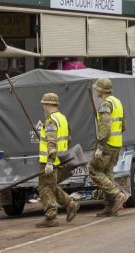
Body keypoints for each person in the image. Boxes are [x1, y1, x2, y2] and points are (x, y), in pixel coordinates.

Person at [36, 93, 80, 228]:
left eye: (44, 103)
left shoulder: (50, 120)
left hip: (49, 161)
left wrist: (49, 161)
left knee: (45, 188)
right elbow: (68, 139)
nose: (43, 106)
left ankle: (51, 217)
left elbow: (51, 142)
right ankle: (70, 204)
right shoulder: (62, 118)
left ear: (47, 104)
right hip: (61, 160)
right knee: (52, 187)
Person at [89, 78, 128, 217]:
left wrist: (100, 146)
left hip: (107, 145)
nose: (95, 90)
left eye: (97, 88)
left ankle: (117, 195)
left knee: (94, 170)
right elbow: (123, 125)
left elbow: (104, 127)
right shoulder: (117, 102)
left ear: (101, 90)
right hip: (117, 144)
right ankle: (110, 207)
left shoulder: (106, 104)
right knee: (107, 173)